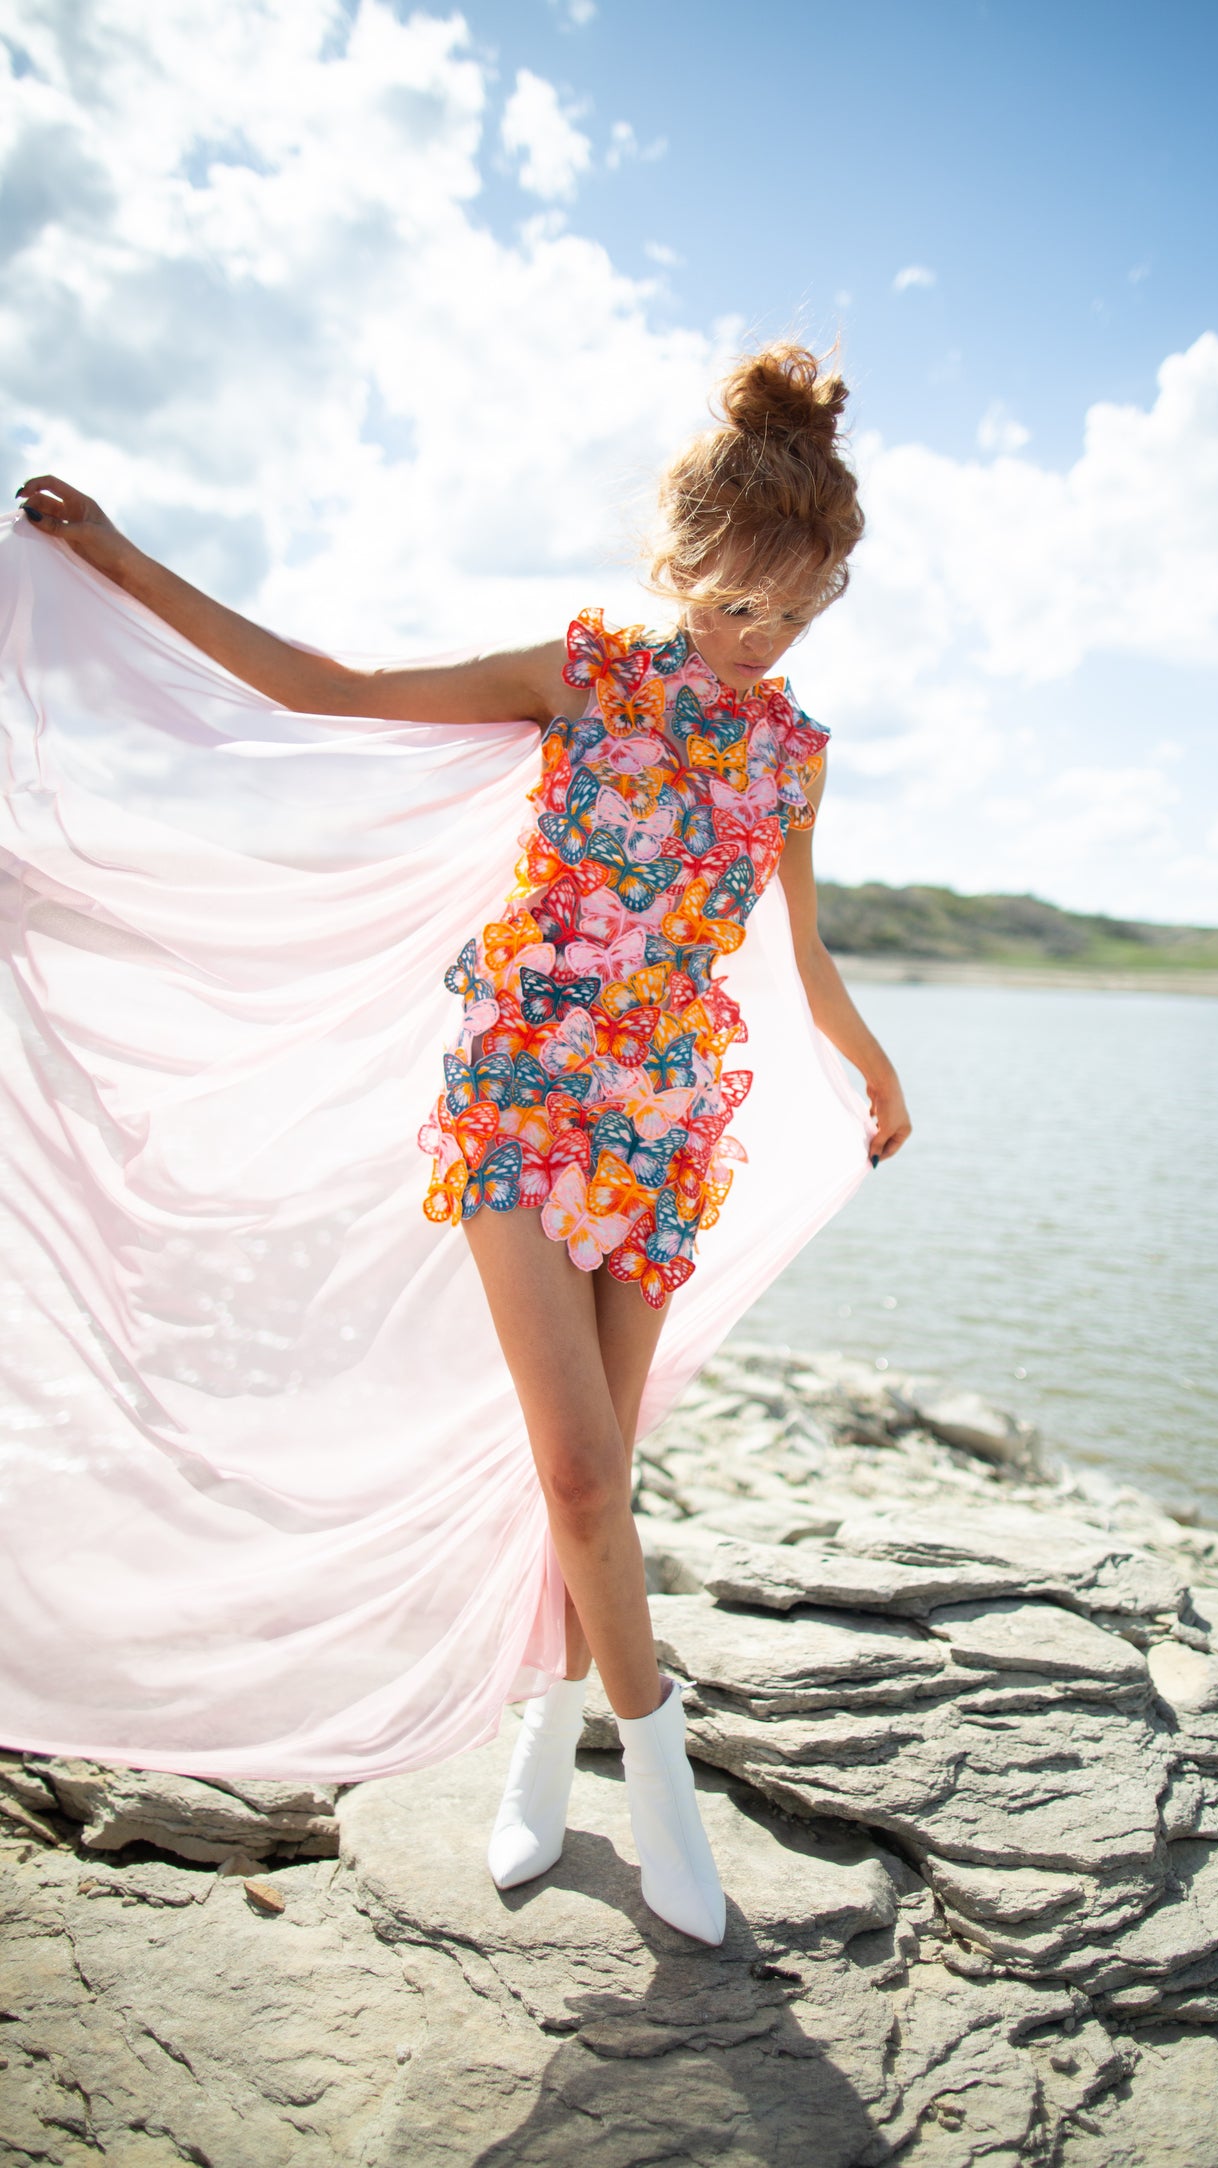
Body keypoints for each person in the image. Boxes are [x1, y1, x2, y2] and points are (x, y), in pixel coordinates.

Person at [13, 341, 911, 1945]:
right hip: (517, 1094)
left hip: (663, 1117)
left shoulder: (794, 751)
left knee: (599, 1475)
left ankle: (544, 1741)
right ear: (681, 561)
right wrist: (122, 559)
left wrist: (870, 1065)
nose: (756, 641)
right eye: (733, 605)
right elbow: (334, 688)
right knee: (577, 1466)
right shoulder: (585, 675)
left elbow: (800, 942)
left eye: (792, 613)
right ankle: (660, 1790)